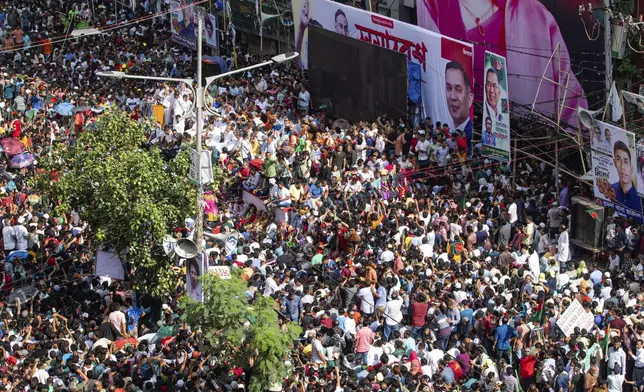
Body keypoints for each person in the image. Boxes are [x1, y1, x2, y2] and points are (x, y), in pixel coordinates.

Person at [417, 0, 587, 123]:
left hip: (526, 153)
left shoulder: (537, 17)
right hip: (454, 146)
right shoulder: (431, 7)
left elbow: (572, 108)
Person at [445, 61, 473, 153]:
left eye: (458, 89)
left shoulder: (470, 132)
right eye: (448, 88)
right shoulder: (448, 128)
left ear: (469, 98)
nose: (452, 97)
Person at [610, 141, 641, 211]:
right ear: (614, 163)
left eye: (626, 162)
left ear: (631, 168)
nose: (622, 166)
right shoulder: (610, 190)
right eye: (618, 160)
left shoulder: (640, 197)